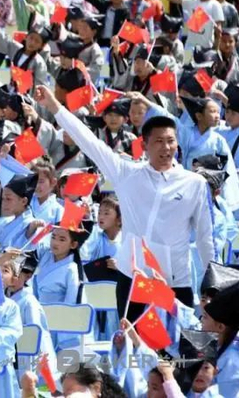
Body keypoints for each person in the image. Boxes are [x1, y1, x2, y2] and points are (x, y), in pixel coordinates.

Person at [34, 84, 214, 321]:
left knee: (177, 344)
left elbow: (204, 237)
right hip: (133, 280)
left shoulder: (194, 184)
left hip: (175, 283)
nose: (166, 147)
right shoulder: (127, 174)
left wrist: (212, 286)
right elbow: (89, 142)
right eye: (159, 141)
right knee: (131, 342)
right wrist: (55, 106)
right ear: (145, 144)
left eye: (171, 141)